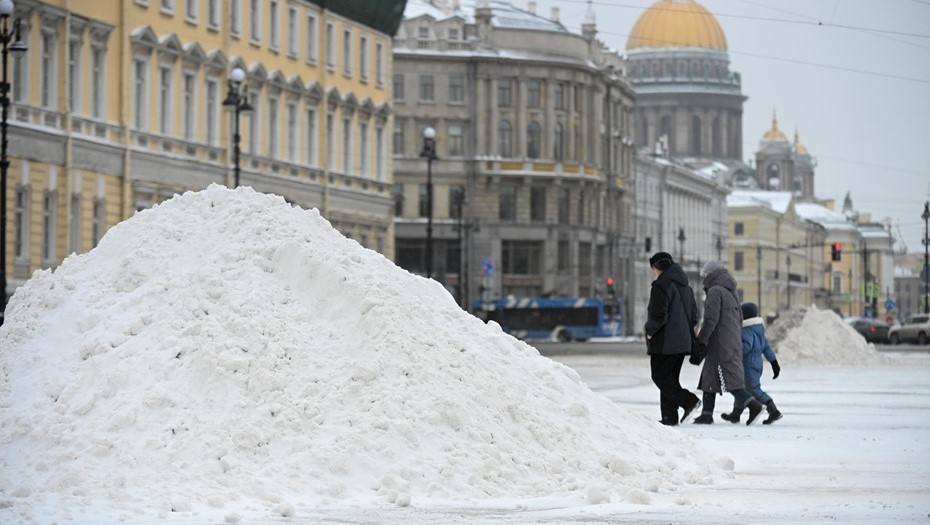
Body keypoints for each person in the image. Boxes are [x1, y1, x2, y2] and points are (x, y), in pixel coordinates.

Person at [690, 260, 765, 425]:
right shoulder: (731, 291)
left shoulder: (715, 291)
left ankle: (754, 406)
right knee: (710, 376)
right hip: (731, 339)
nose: (704, 278)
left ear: (710, 275)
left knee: (730, 380)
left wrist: (701, 340)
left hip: (719, 342)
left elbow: (710, 320)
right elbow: (738, 318)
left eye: (705, 275)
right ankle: (707, 414)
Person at [644, 252, 702, 426]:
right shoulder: (686, 287)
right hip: (683, 341)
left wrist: (650, 330)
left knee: (659, 376)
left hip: (665, 342)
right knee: (670, 379)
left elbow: (659, 314)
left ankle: (689, 401)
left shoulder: (661, 286)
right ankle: (670, 417)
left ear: (656, 267)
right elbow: (694, 317)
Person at [720, 302, 783, 424]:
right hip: (757, 364)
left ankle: (774, 411)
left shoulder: (746, 330)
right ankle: (736, 414)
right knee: (742, 388)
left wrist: (734, 349)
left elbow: (746, 347)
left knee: (753, 389)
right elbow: (767, 348)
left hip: (748, 365)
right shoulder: (759, 330)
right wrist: (774, 363)